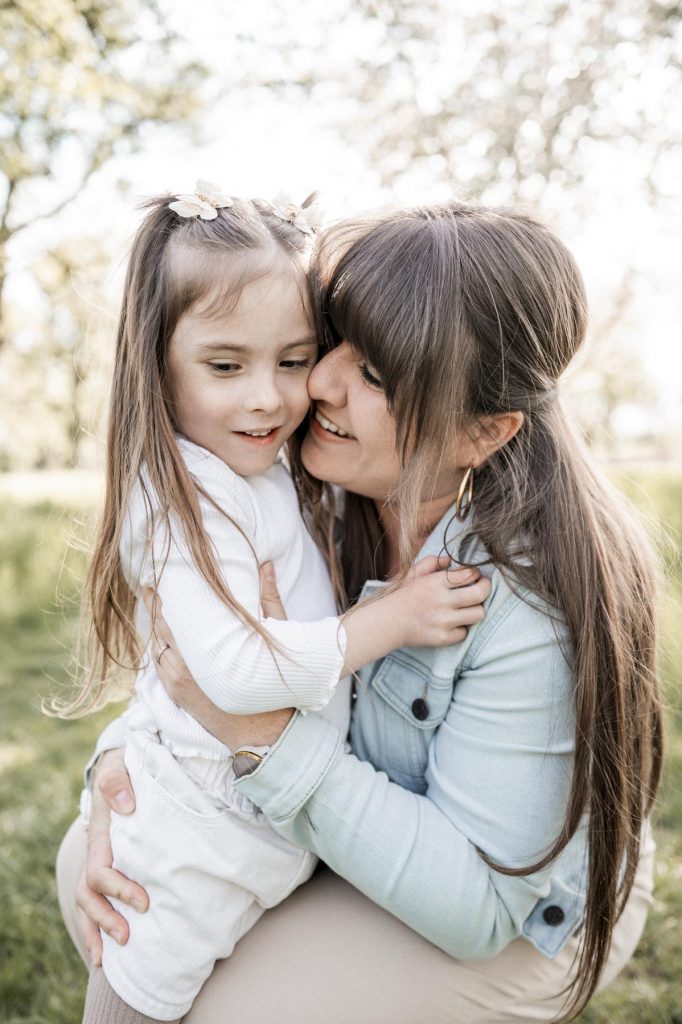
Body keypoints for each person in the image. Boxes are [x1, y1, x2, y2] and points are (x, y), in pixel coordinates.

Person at [58, 201, 662, 1024]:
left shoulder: (524, 597)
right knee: (95, 868)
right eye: (335, 340)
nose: (322, 382)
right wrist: (113, 766)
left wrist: (260, 738)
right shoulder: (304, 482)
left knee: (228, 1014)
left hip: (514, 914)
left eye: (375, 375)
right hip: (349, 835)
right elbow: (188, 647)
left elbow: (480, 907)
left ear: (482, 431)